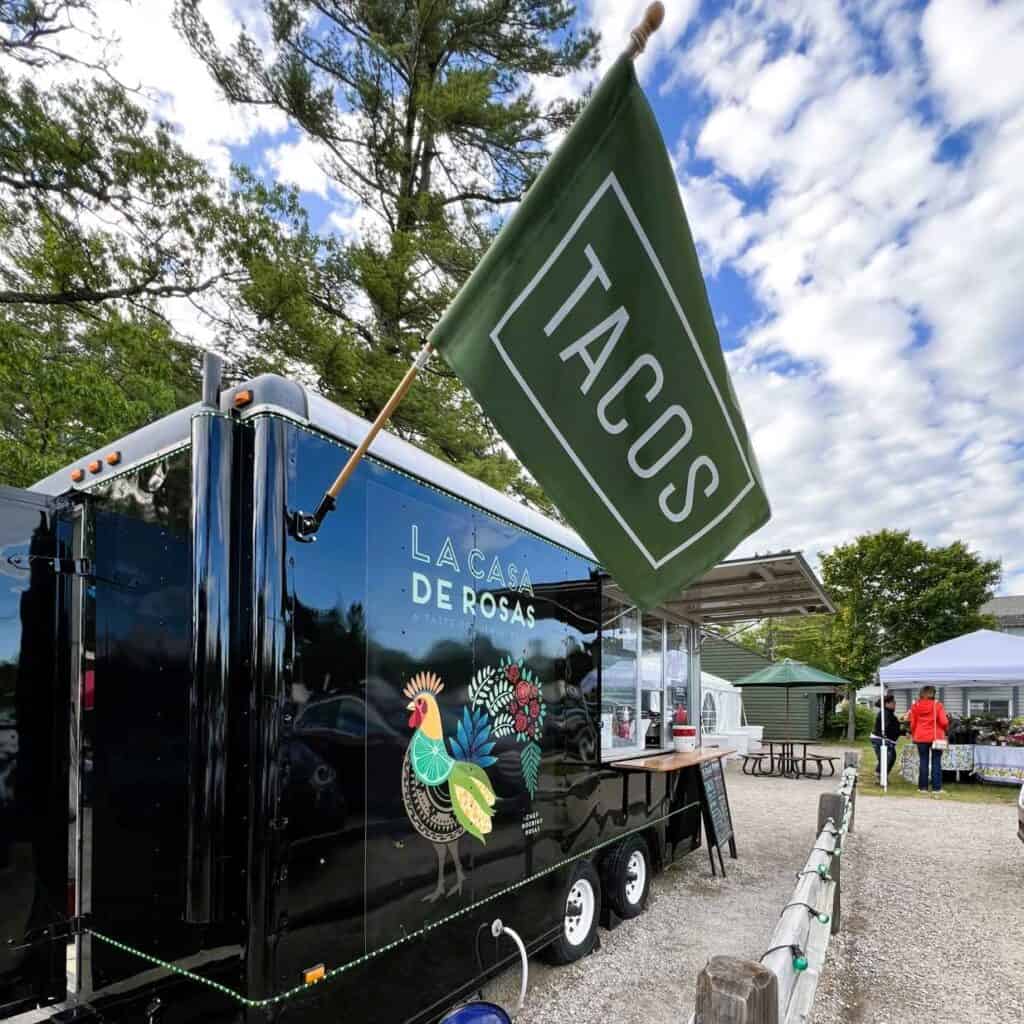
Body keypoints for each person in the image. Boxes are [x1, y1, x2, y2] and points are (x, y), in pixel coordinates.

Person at [907, 685, 949, 795]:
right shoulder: (938, 705)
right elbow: (944, 722)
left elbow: (912, 724)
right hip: (936, 737)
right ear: (933, 694)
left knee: (923, 761)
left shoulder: (915, 706)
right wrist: (944, 729)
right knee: (936, 762)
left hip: (920, 737)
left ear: (921, 693)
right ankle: (936, 788)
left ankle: (923, 788)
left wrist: (913, 732)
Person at [870, 694, 901, 778]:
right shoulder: (885, 713)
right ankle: (879, 774)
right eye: (893, 703)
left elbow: (893, 726)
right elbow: (889, 728)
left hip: (884, 738)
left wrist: (902, 731)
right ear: (887, 704)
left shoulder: (888, 712)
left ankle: (882, 774)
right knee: (887, 757)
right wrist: (902, 732)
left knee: (890, 757)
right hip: (880, 738)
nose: (895, 704)